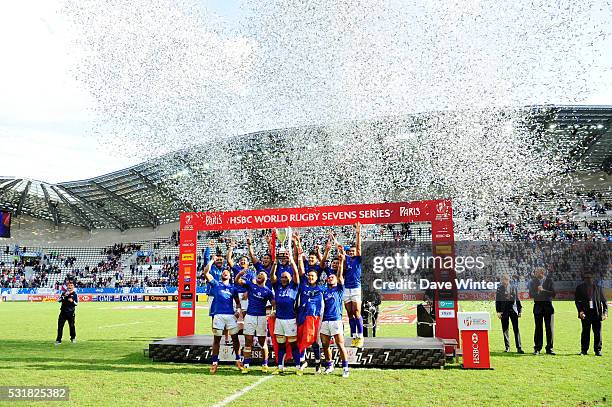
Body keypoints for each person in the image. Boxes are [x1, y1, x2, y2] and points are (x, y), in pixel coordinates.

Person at [203, 256, 243, 374]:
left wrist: (238, 311)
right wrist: (212, 260)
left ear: (230, 276)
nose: (225, 273)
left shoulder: (233, 288)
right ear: (221, 275)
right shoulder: (215, 284)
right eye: (224, 272)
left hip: (230, 316)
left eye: (227, 272)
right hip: (218, 316)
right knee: (217, 339)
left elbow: (238, 303)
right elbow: (206, 272)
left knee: (235, 339)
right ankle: (215, 363)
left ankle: (238, 360)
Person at [294, 233, 324, 373]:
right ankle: (302, 361)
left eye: (313, 276)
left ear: (317, 277)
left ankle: (318, 363)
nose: (311, 277)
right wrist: (299, 252)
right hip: (302, 315)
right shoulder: (303, 285)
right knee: (301, 339)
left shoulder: (321, 288)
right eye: (309, 276)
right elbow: (300, 269)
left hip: (315, 317)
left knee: (314, 341)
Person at [235, 268, 275, 373]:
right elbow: (237, 281)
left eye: (262, 274)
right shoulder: (251, 285)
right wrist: (240, 273)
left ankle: (265, 364)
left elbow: (274, 304)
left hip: (261, 317)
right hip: (249, 316)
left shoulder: (268, 291)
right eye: (258, 274)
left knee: (262, 342)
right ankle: (247, 364)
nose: (259, 275)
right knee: (248, 341)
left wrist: (273, 311)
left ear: (266, 278)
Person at [270, 249, 301, 375]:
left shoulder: (293, 286)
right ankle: (280, 366)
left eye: (285, 277)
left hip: (290, 320)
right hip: (279, 320)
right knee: (281, 345)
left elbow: (296, 274)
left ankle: (298, 367)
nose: (283, 279)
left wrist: (292, 260)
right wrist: (275, 263)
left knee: (293, 345)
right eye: (282, 277)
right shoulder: (277, 286)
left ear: (290, 278)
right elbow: (272, 276)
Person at [320, 245, 350, 377]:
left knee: (340, 345)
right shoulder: (323, 290)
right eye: (329, 277)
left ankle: (345, 368)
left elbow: (339, 274)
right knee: (325, 345)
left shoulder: (339, 289)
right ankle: (329, 365)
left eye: (333, 277)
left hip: (336, 320)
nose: (330, 278)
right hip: (324, 321)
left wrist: (342, 261)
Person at [575, 271, 608, 356]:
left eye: (590, 278)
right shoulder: (579, 288)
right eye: (586, 278)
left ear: (593, 278)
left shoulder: (598, 288)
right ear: (584, 279)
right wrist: (580, 311)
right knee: (585, 332)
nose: (588, 279)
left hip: (596, 313)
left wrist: (605, 313)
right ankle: (584, 350)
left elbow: (604, 302)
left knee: (598, 333)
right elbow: (577, 301)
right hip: (585, 314)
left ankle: (598, 350)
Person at [341, 222, 364, 347]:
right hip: (346, 289)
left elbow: (358, 246)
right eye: (350, 252)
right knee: (349, 314)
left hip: (356, 288)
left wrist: (358, 232)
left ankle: (360, 336)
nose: (351, 253)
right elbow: (341, 250)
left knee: (357, 312)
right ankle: (354, 336)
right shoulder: (346, 260)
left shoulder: (358, 259)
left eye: (353, 251)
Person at [529, 267, 556, 355]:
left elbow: (554, 293)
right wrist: (537, 292)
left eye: (537, 272)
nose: (535, 273)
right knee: (538, 328)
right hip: (538, 308)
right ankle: (537, 348)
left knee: (549, 329)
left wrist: (543, 290)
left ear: (542, 273)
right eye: (535, 272)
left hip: (548, 308)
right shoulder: (533, 282)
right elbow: (530, 294)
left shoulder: (549, 281)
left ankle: (549, 348)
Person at [495, 275, 524, 353]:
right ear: (501, 280)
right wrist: (498, 311)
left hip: (513, 311)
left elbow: (517, 299)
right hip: (503, 311)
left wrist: (520, 310)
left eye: (506, 279)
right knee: (505, 330)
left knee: (516, 329)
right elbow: (497, 301)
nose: (505, 281)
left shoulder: (513, 287)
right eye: (503, 279)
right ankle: (507, 347)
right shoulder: (499, 289)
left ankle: (519, 347)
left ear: (508, 280)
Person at [55, 280, 78, 345]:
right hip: (63, 313)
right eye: (69, 285)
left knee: (72, 326)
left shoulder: (75, 294)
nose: (70, 286)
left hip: (71, 313)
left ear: (73, 287)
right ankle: (58, 340)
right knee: (60, 326)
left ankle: (73, 338)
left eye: (71, 285)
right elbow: (59, 300)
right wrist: (63, 296)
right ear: (67, 286)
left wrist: (72, 301)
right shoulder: (63, 293)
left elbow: (76, 303)